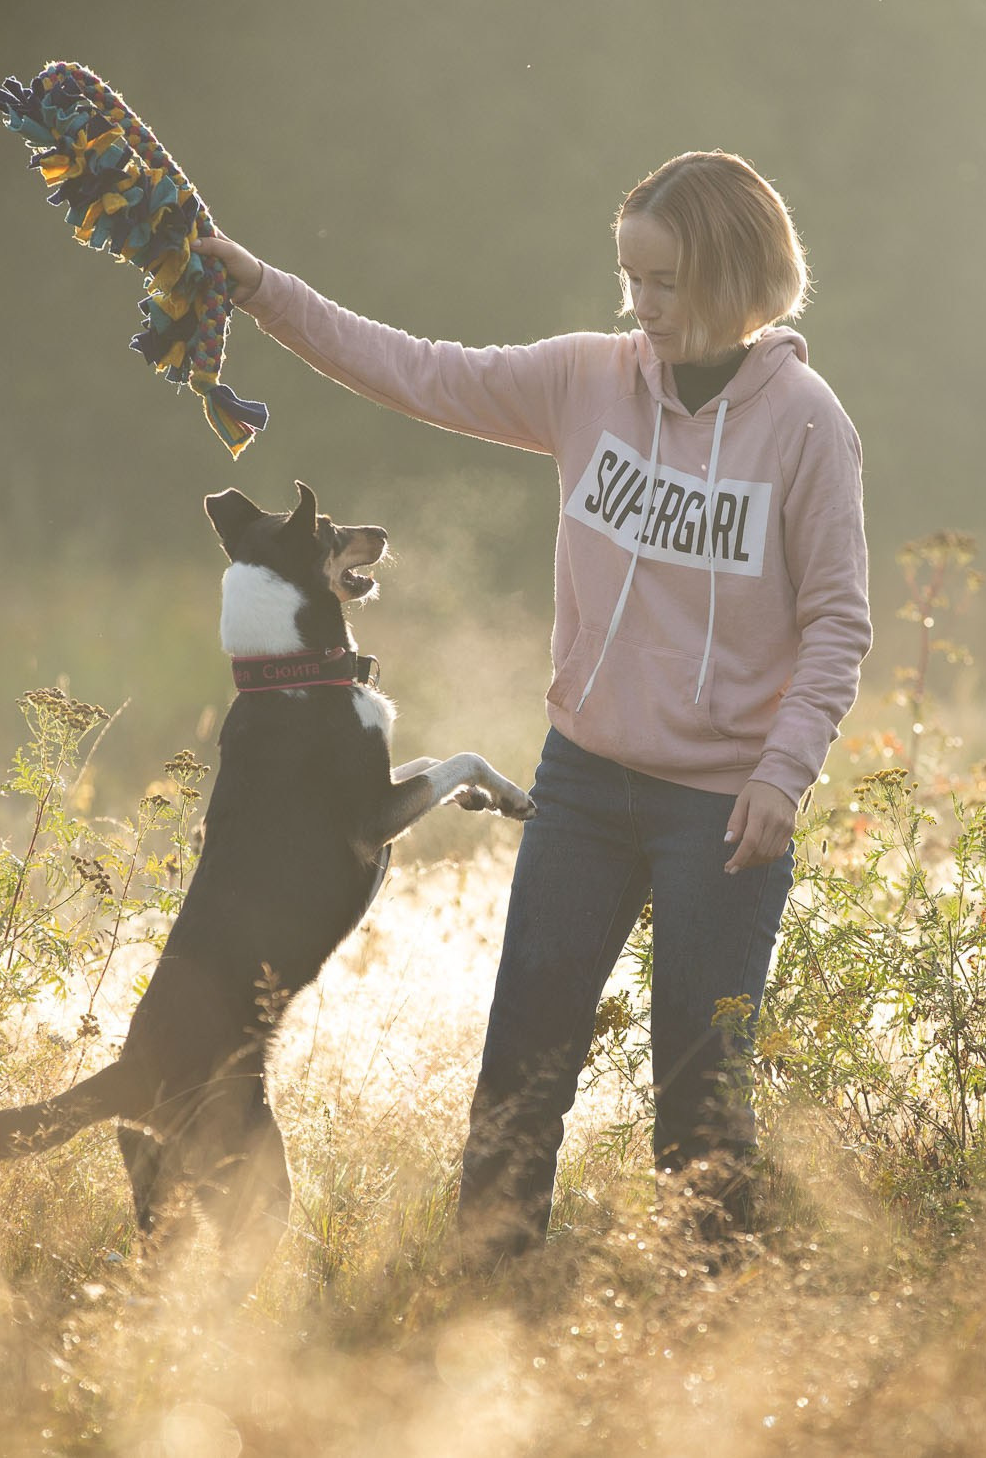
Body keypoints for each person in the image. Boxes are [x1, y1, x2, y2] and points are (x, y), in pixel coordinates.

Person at [199, 150, 872, 1261]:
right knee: (519, 1081)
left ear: (734, 275)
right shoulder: (584, 381)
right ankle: (481, 1330)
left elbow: (838, 619)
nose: (638, 306)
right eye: (628, 278)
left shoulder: (805, 424)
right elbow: (411, 368)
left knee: (701, 1113)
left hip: (722, 811)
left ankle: (709, 1351)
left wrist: (781, 772)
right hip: (584, 785)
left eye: (662, 283)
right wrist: (260, 286)